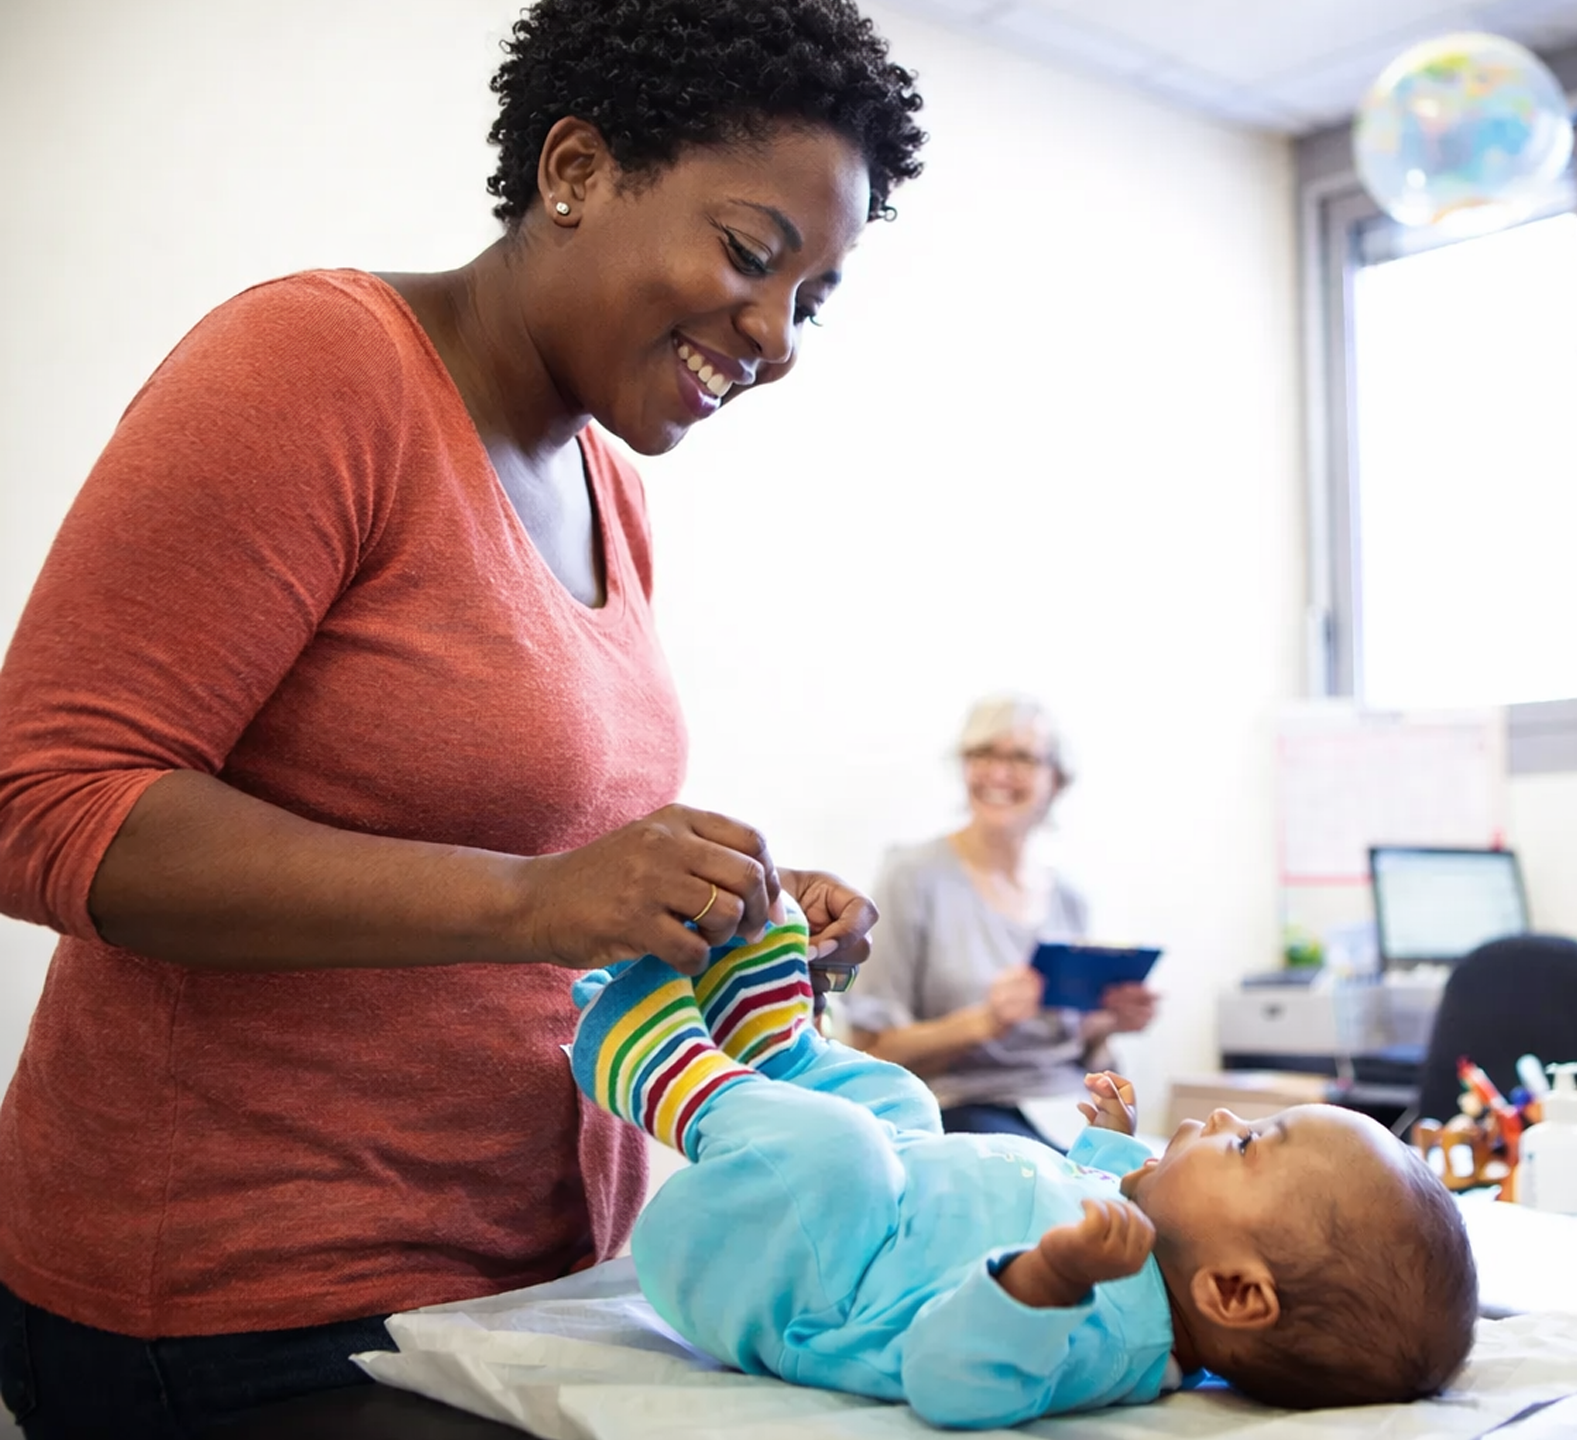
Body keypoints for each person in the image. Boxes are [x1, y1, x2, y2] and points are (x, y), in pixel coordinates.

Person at [0, 3, 925, 1433]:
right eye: (752, 254)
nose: (777, 335)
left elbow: (540, 857)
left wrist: (726, 911)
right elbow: (44, 802)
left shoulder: (610, 489)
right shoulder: (317, 368)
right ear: (574, 168)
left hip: (522, 1291)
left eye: (812, 297)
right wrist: (535, 901)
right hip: (242, 1312)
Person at [568, 902, 1479, 1427]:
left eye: (1248, 1145)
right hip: (890, 1208)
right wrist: (1115, 1152)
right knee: (903, 1109)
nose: (1229, 1116)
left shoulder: (1107, 1339)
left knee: (839, 1148)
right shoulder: (1149, 1255)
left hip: (804, 1281)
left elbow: (950, 1380)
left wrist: (1048, 1278)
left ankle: (656, 1071)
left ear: (1233, 1294)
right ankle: (776, 1051)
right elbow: (1072, 1198)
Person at [841, 695, 1157, 1146]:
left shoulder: (1068, 897)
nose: (998, 773)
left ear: (1056, 780)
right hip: (965, 1107)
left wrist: (1108, 1022)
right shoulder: (911, 877)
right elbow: (869, 1051)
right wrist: (985, 1022)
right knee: (1089, 1194)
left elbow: (1069, 1046)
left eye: (1022, 757)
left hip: (1067, 1106)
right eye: (982, 754)